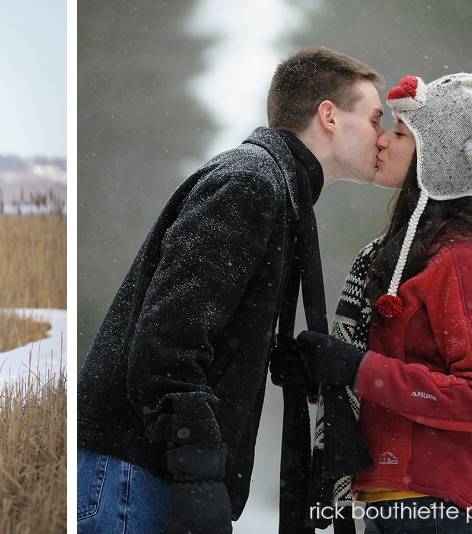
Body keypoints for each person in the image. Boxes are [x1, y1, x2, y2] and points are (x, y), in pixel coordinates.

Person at [77, 46, 385, 533]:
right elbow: (167, 342)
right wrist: (197, 472)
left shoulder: (275, 186)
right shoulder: (250, 183)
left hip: (142, 472)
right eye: (374, 118)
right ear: (328, 115)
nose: (382, 136)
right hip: (132, 477)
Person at [296, 70, 472, 534]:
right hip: (403, 503)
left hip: (436, 508)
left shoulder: (462, 258)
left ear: (438, 157)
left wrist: (356, 368)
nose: (382, 141)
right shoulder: (412, 253)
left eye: (401, 133)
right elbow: (400, 370)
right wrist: (321, 372)